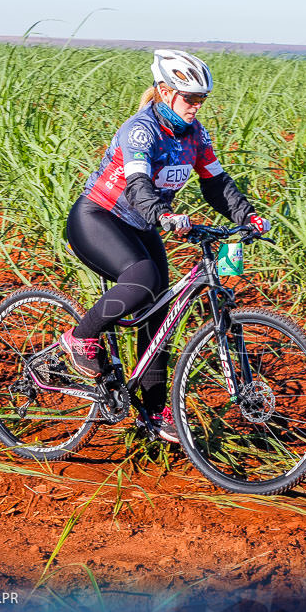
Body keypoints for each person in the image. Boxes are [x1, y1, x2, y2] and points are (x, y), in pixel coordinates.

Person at [60, 49, 270, 443]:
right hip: (98, 218)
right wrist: (164, 215)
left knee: (160, 316)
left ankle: (153, 414)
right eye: (189, 98)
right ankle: (79, 337)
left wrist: (247, 216)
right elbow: (138, 186)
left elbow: (216, 185)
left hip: (143, 224)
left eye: (201, 100)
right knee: (144, 278)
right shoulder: (142, 129)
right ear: (164, 91)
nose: (195, 106)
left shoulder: (195, 135)